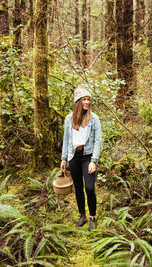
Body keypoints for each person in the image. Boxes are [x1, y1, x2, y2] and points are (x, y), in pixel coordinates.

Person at [60, 86, 102, 231]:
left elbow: (98, 141)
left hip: (88, 156)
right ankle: (82, 215)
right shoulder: (69, 119)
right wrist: (64, 159)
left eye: (88, 99)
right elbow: (66, 140)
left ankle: (92, 217)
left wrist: (94, 161)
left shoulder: (94, 119)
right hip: (74, 156)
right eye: (84, 99)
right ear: (78, 102)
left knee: (89, 187)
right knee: (78, 188)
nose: (87, 102)